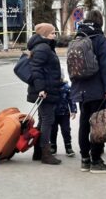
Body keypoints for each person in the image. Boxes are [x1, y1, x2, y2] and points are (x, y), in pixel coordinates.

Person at [70, 10, 106, 174]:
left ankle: (85, 160)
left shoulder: (78, 37)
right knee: (98, 124)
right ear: (100, 22)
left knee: (84, 123)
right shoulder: (99, 38)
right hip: (97, 89)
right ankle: (96, 160)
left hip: (81, 90)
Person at [27, 22, 62, 165]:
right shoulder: (43, 48)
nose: (55, 35)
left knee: (43, 120)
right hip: (44, 91)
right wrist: (41, 89)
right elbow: (36, 70)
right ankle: (45, 154)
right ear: (45, 34)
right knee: (47, 120)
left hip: (47, 89)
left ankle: (38, 152)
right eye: (52, 33)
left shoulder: (45, 47)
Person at [50, 74, 77, 157]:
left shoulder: (66, 87)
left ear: (62, 77)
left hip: (64, 114)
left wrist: (73, 110)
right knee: (53, 131)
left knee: (66, 130)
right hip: (52, 114)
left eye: (60, 77)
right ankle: (53, 146)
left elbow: (71, 99)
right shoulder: (50, 87)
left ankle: (68, 147)